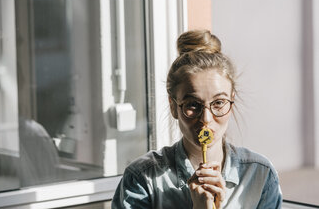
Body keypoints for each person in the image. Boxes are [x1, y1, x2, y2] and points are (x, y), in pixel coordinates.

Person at [111, 30, 282, 208]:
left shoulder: (260, 175)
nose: (206, 119)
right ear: (173, 106)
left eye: (218, 103)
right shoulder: (142, 178)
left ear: (232, 101)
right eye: (192, 104)